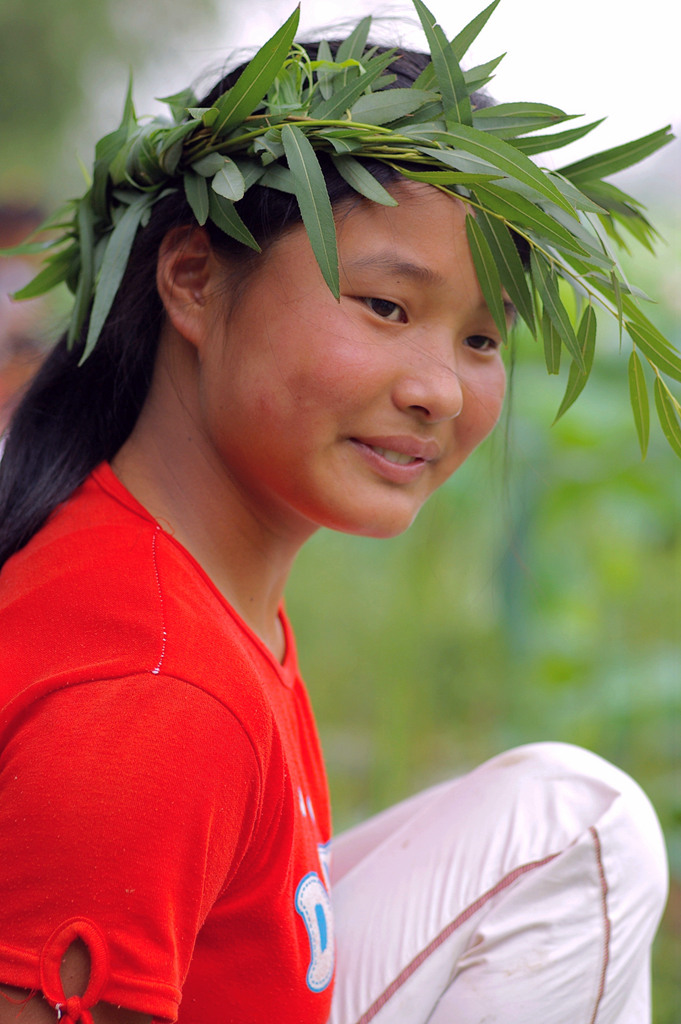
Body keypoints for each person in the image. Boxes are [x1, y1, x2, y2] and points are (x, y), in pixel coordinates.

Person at [0, 4, 672, 1022]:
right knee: (583, 830)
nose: (441, 390)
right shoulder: (156, 690)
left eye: (482, 340)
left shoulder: (180, 577)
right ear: (191, 277)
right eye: (388, 307)